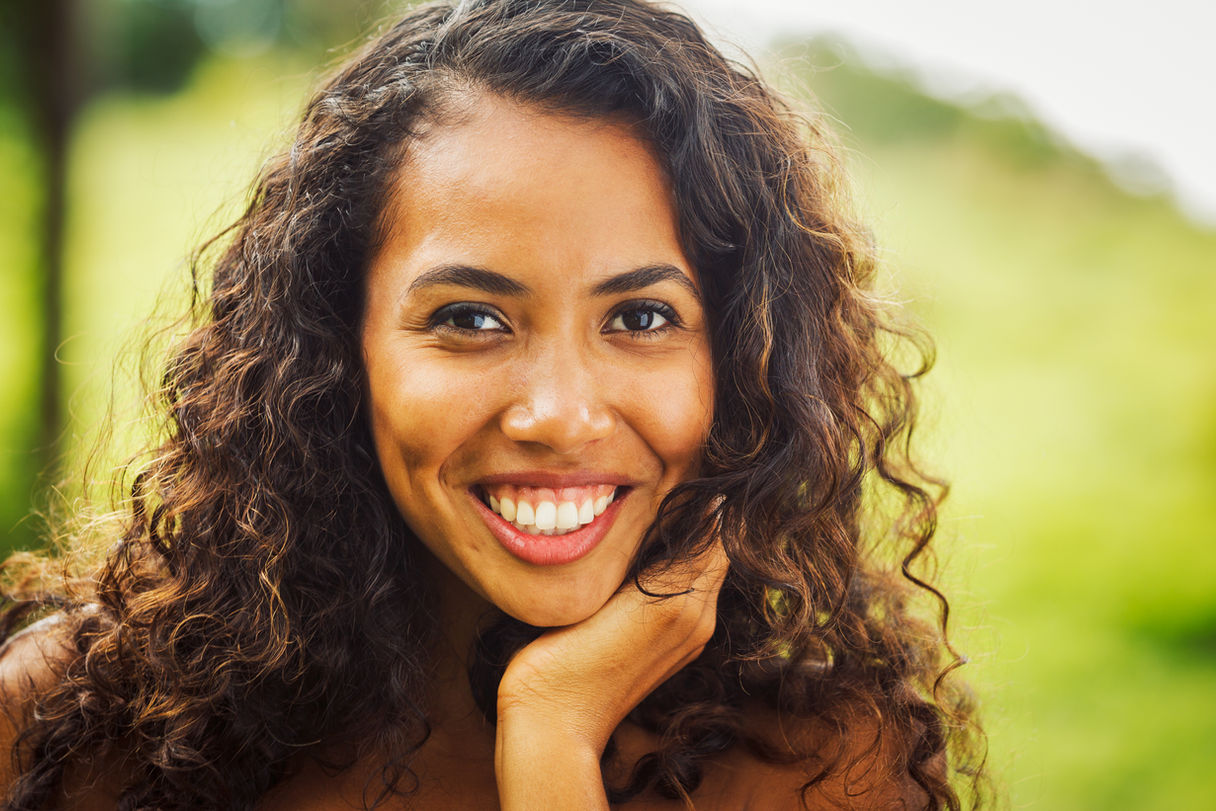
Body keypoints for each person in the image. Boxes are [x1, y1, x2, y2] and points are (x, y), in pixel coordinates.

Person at [0, 0, 986, 807]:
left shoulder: (820, 770)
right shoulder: (72, 725)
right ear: (341, 347)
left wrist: (552, 740)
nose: (558, 414)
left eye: (641, 317)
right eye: (471, 319)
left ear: (739, 358)